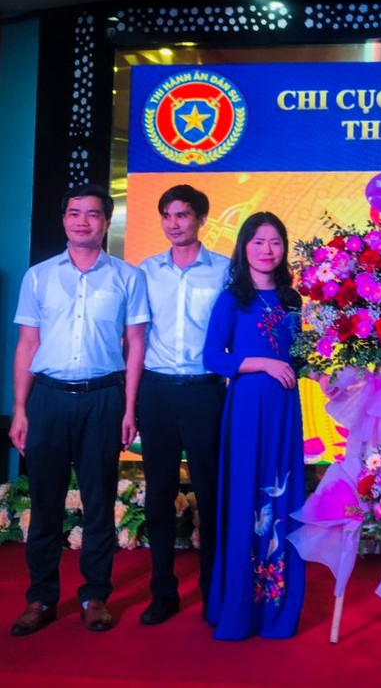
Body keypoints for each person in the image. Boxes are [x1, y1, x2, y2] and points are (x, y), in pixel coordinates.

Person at [9, 183, 149, 635]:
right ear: (64, 220)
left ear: (106, 222)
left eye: (92, 214)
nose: (82, 221)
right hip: (48, 399)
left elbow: (135, 346)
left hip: (103, 399)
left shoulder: (128, 277)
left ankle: (95, 596)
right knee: (45, 504)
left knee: (99, 502)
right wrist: (20, 408)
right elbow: (27, 344)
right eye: (74, 213)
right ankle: (40, 598)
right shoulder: (38, 277)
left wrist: (129, 408)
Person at [203, 211, 306, 640]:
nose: (267, 250)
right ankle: (240, 606)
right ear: (244, 246)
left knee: (282, 494)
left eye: (275, 242)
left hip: (283, 410)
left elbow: (297, 357)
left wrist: (327, 369)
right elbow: (212, 357)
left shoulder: (291, 299)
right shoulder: (232, 299)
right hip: (246, 408)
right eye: (259, 241)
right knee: (246, 495)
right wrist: (262, 363)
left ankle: (275, 605)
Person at [137, 184, 230, 625]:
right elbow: (136, 337)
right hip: (156, 391)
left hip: (204, 391)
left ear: (201, 219)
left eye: (183, 215)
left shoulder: (226, 270)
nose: (174, 224)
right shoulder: (146, 271)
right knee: (158, 495)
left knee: (210, 494)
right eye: (167, 216)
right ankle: (163, 592)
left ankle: (213, 591)